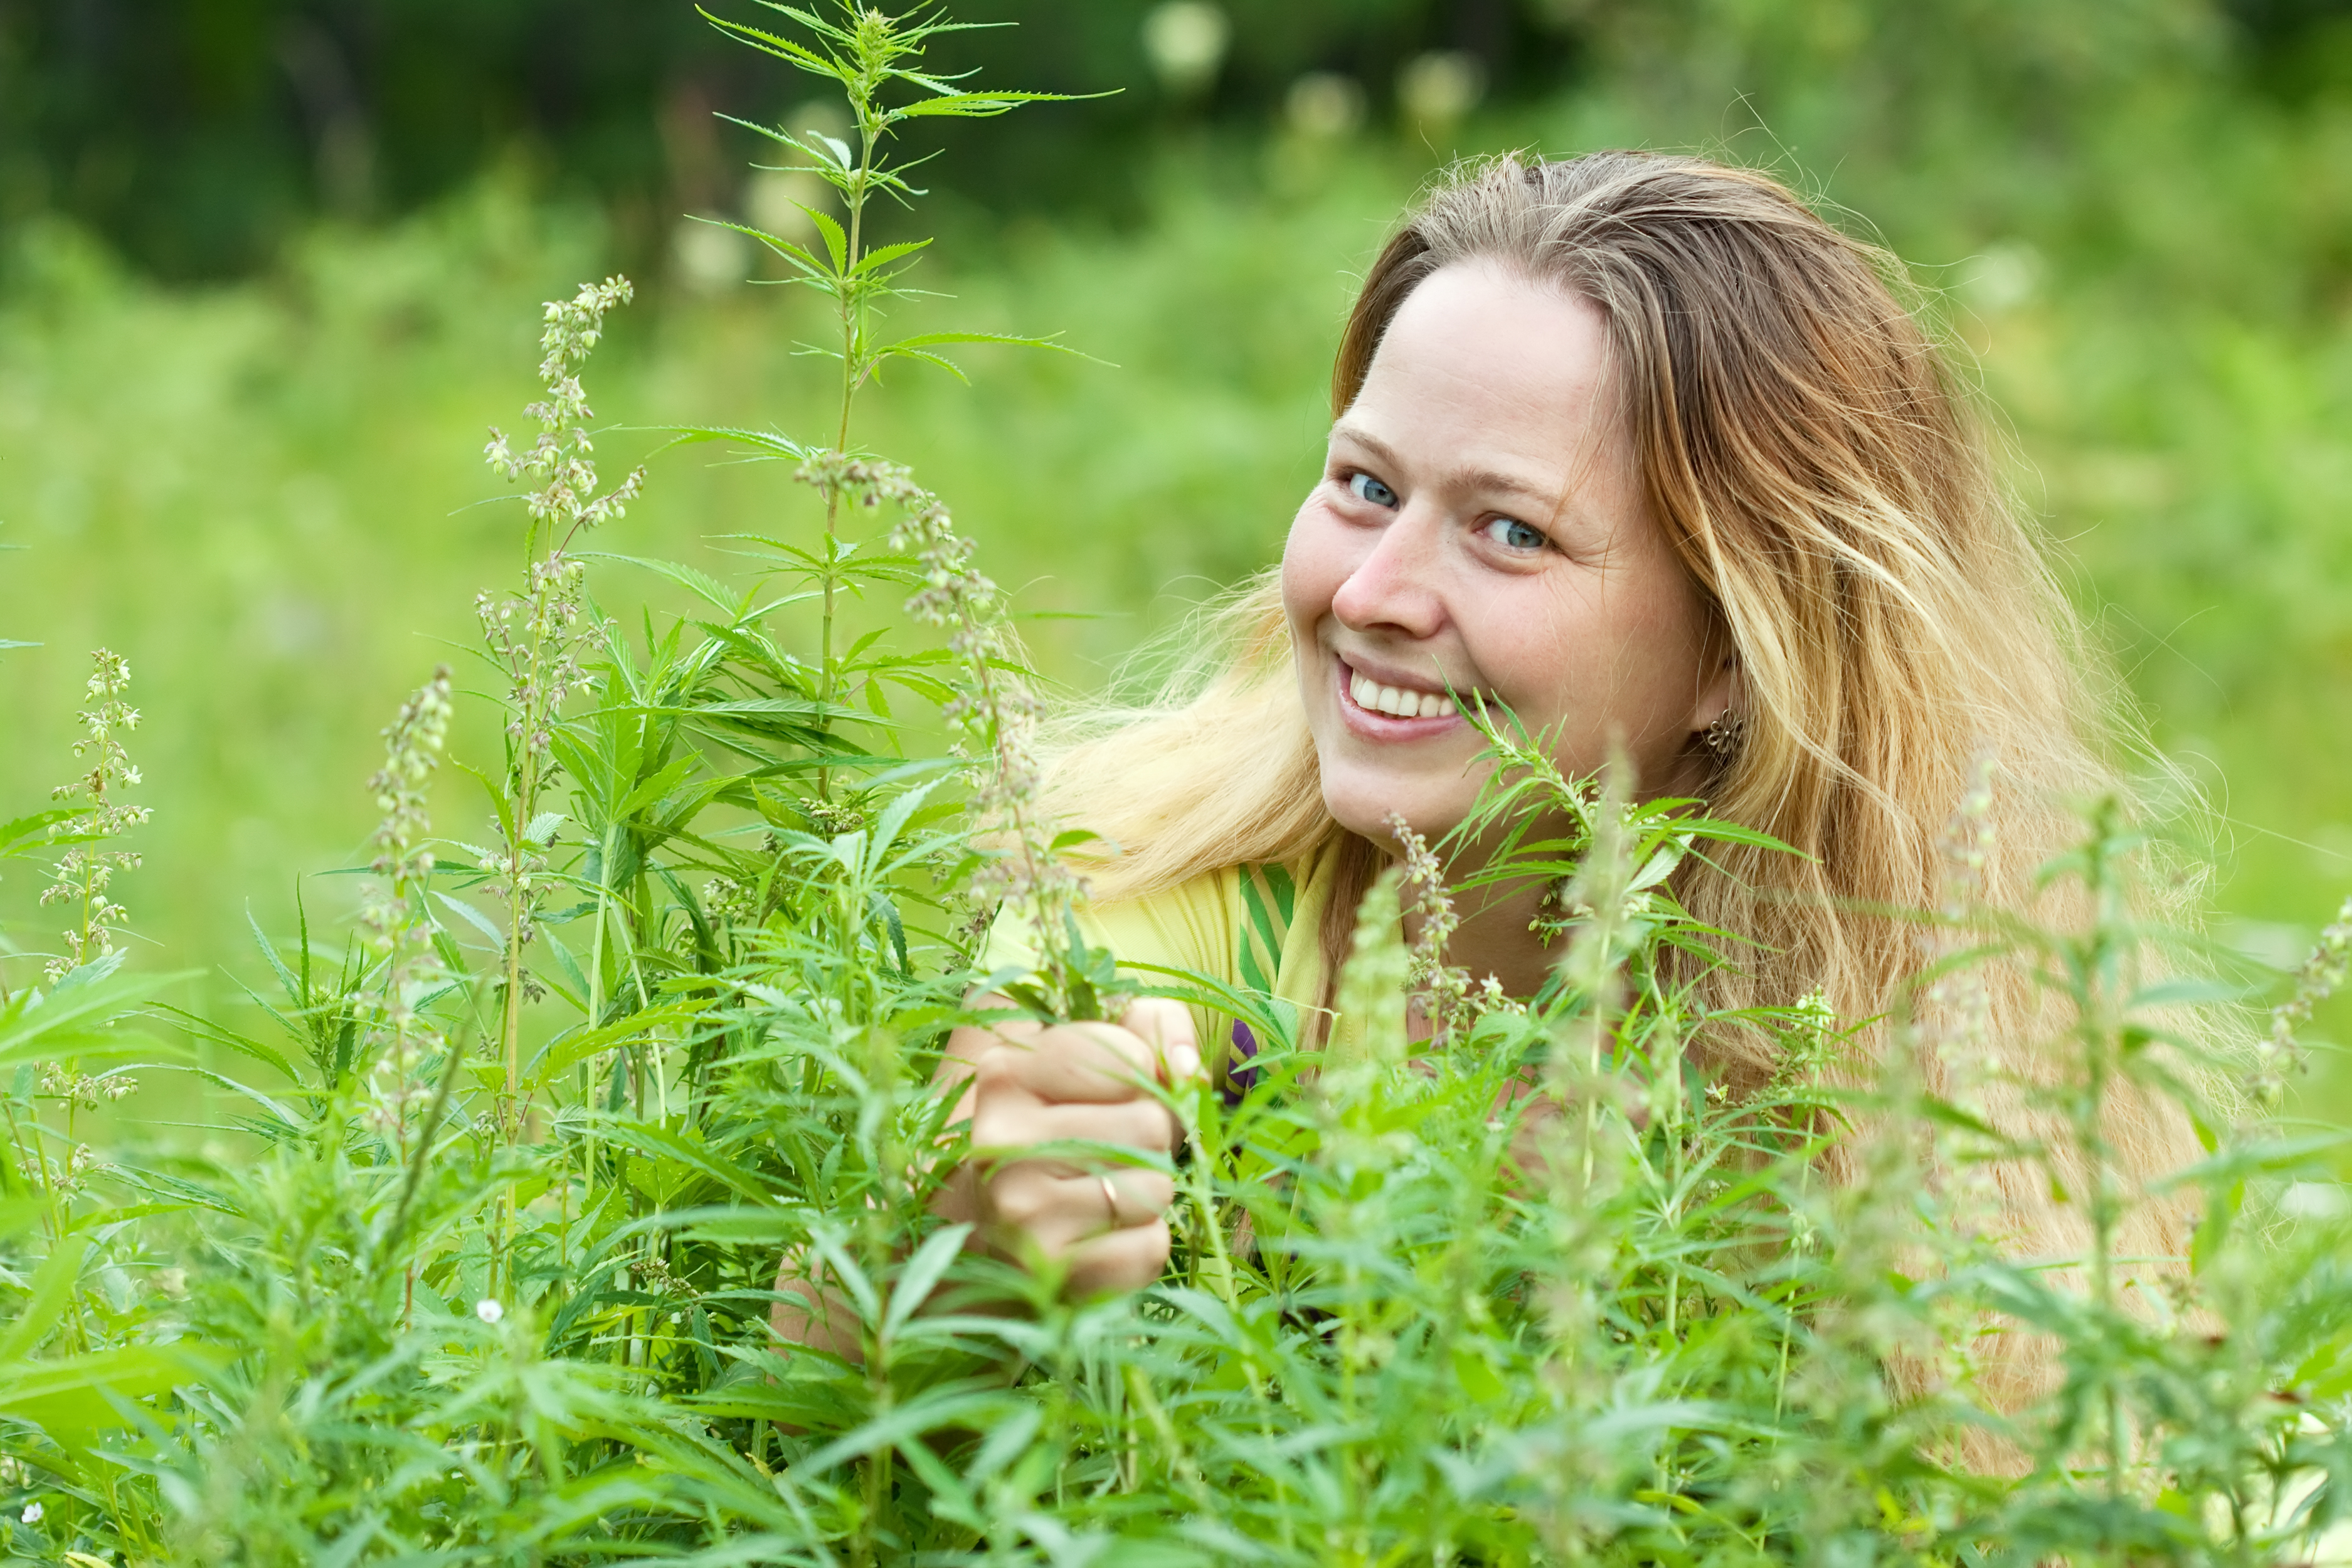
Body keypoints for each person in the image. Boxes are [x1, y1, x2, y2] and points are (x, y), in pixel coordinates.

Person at [773, 150, 2210, 1364]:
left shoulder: (1881, 1041)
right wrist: (950, 1259)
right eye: (1365, 485)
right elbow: (819, 1396)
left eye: (1510, 529)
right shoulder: (1158, 913)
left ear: (1738, 651)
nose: (1372, 591)